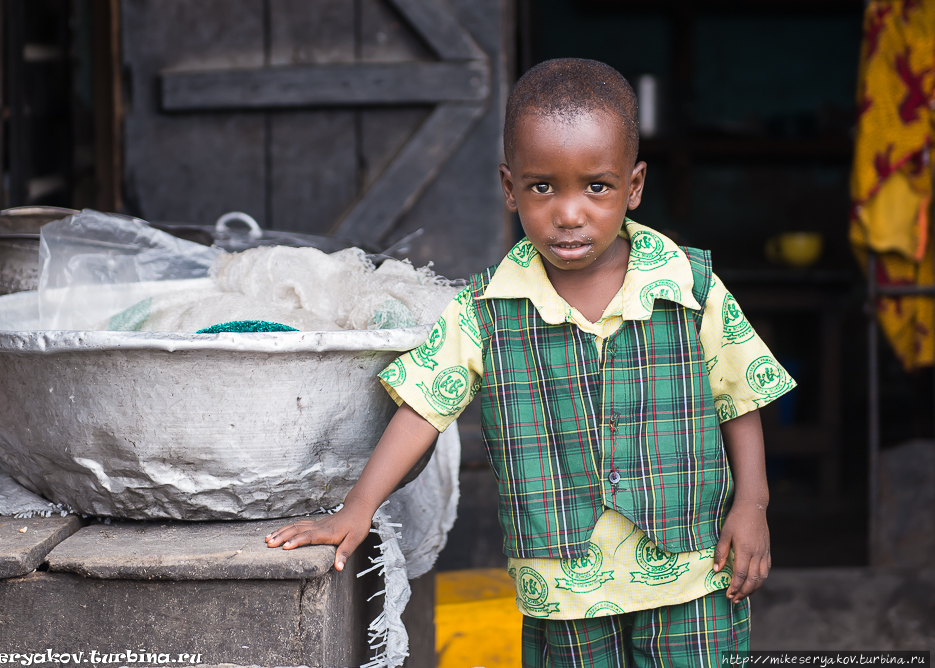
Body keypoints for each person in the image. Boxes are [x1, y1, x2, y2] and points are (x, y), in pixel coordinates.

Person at [267, 58, 794, 667]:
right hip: (563, 583)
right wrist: (356, 508)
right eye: (544, 186)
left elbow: (740, 396)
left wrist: (751, 504)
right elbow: (422, 410)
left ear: (635, 185)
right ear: (509, 186)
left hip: (693, 572)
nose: (569, 213)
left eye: (597, 186)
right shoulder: (485, 310)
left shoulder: (690, 287)